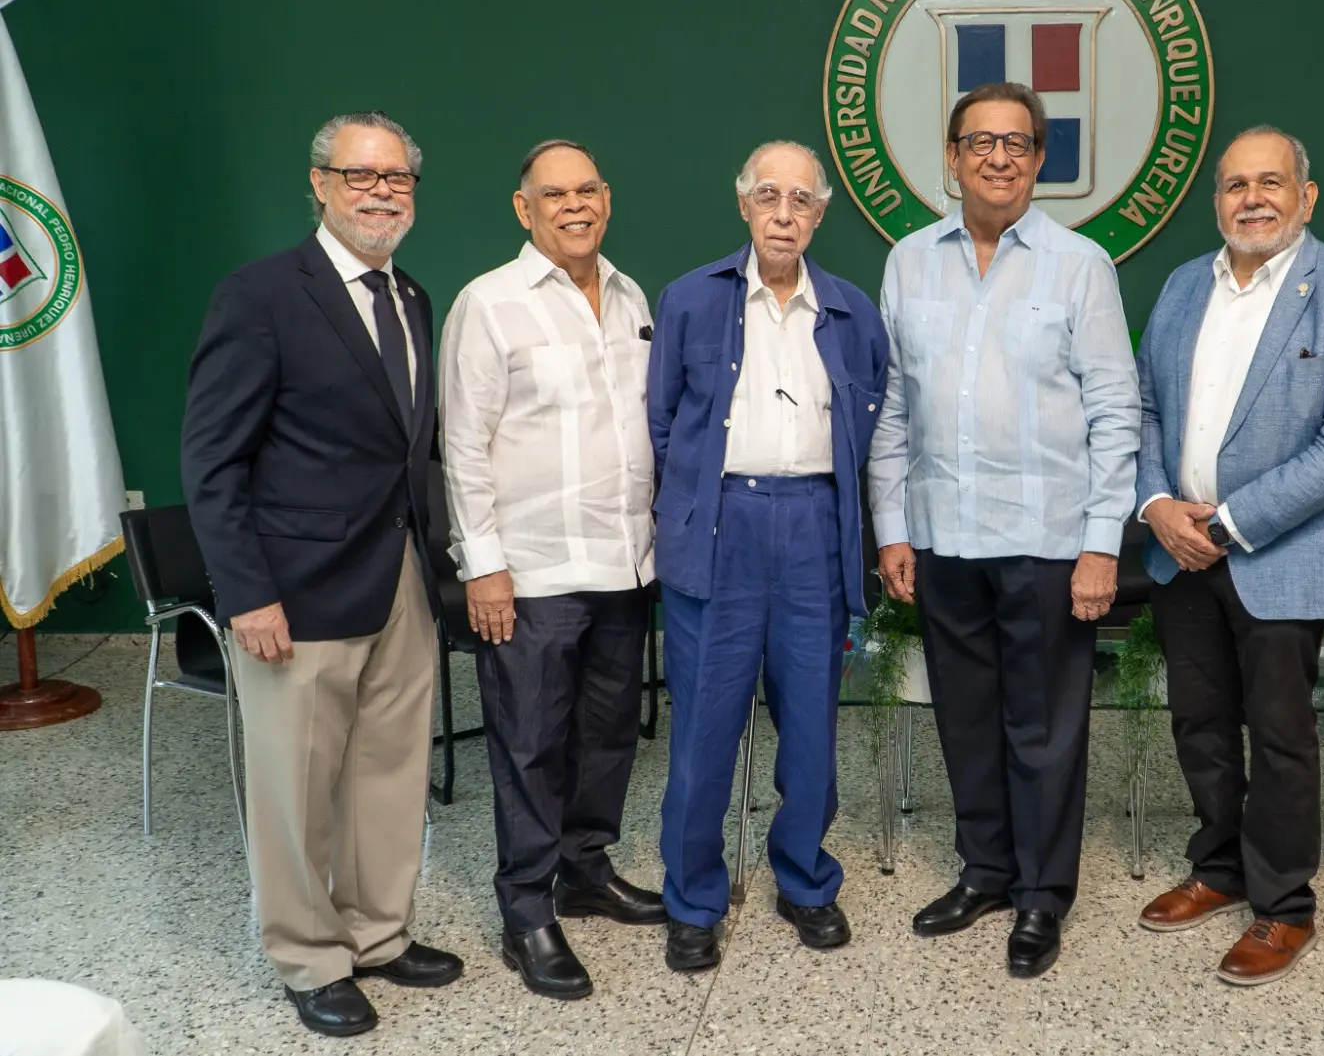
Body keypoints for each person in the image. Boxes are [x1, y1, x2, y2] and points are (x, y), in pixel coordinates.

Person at [181, 112, 461, 1038]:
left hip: (400, 581)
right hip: (294, 596)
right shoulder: (260, 295)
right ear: (319, 184)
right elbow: (212, 462)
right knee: (295, 788)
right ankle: (308, 955)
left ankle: (378, 934)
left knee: (389, 774)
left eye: (398, 178)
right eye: (360, 175)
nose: (381, 191)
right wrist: (246, 592)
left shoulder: (413, 295)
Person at [870, 82, 1140, 979]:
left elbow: (1113, 408)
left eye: (1017, 143)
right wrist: (892, 526)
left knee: (1044, 725)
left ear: (1040, 162)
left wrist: (1103, 540)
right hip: (944, 535)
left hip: (1050, 539)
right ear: (950, 157)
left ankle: (1040, 895)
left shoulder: (1079, 266)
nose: (997, 157)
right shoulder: (909, 261)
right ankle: (984, 871)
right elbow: (894, 408)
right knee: (966, 717)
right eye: (979, 142)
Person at [1132, 125, 1324, 986]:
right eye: (1236, 184)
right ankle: (1218, 868)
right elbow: (1142, 410)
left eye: (1271, 182)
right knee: (1199, 721)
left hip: (1280, 554)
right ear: (1217, 201)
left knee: (1281, 734)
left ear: (1306, 196)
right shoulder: (1181, 286)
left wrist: (1228, 523)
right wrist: (1158, 505)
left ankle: (1283, 905)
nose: (1253, 197)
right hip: (1178, 549)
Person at [649, 141, 888, 972]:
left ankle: (805, 880)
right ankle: (692, 898)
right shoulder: (689, 300)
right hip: (721, 524)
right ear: (743, 205)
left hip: (815, 525)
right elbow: (660, 422)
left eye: (801, 200)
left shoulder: (853, 310)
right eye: (767, 197)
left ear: (820, 214)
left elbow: (874, 421)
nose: (784, 213)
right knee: (705, 728)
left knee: (812, 726)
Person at [439, 140, 664, 1000]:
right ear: (522, 208)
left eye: (587, 190)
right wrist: (482, 568)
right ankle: (527, 908)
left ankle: (584, 868)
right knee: (531, 744)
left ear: (606, 198)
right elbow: (461, 445)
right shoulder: (489, 304)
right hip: (528, 572)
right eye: (553, 194)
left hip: (622, 563)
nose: (575, 205)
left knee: (608, 734)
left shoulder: (633, 294)